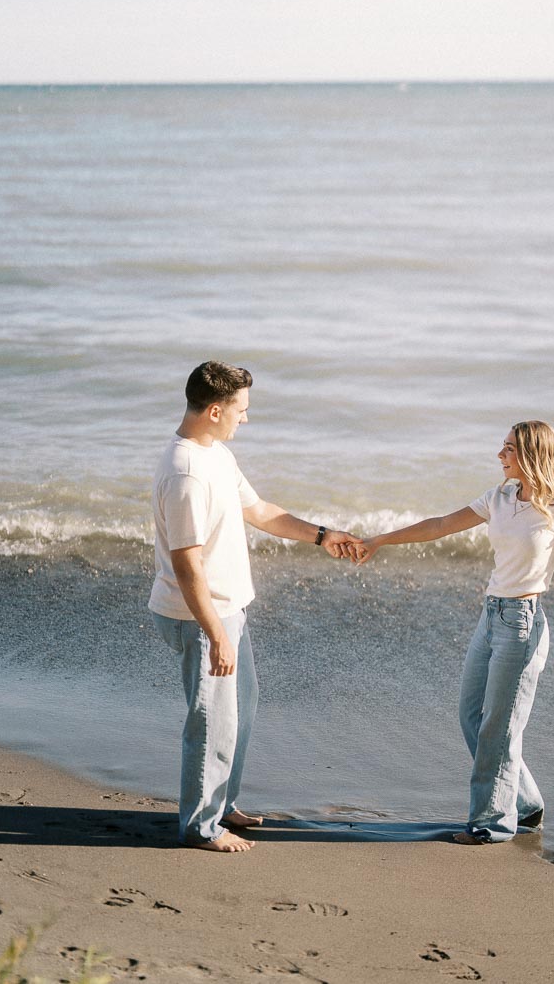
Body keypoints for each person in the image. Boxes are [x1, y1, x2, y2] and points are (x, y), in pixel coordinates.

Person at [359, 420, 554, 844]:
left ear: (530, 454)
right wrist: (379, 540)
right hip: (490, 617)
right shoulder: (501, 496)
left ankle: (492, 824)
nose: (500, 455)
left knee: (499, 728)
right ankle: (524, 804)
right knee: (472, 716)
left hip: (523, 625)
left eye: (508, 448)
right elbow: (439, 525)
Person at [149, 360, 364, 853]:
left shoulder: (215, 455)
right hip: (199, 615)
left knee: (241, 709)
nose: (245, 418)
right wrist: (216, 634)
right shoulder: (185, 473)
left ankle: (222, 805)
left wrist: (324, 536)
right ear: (216, 410)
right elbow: (187, 566)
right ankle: (200, 827)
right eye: (241, 410)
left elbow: (260, 511)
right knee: (213, 720)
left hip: (227, 609)